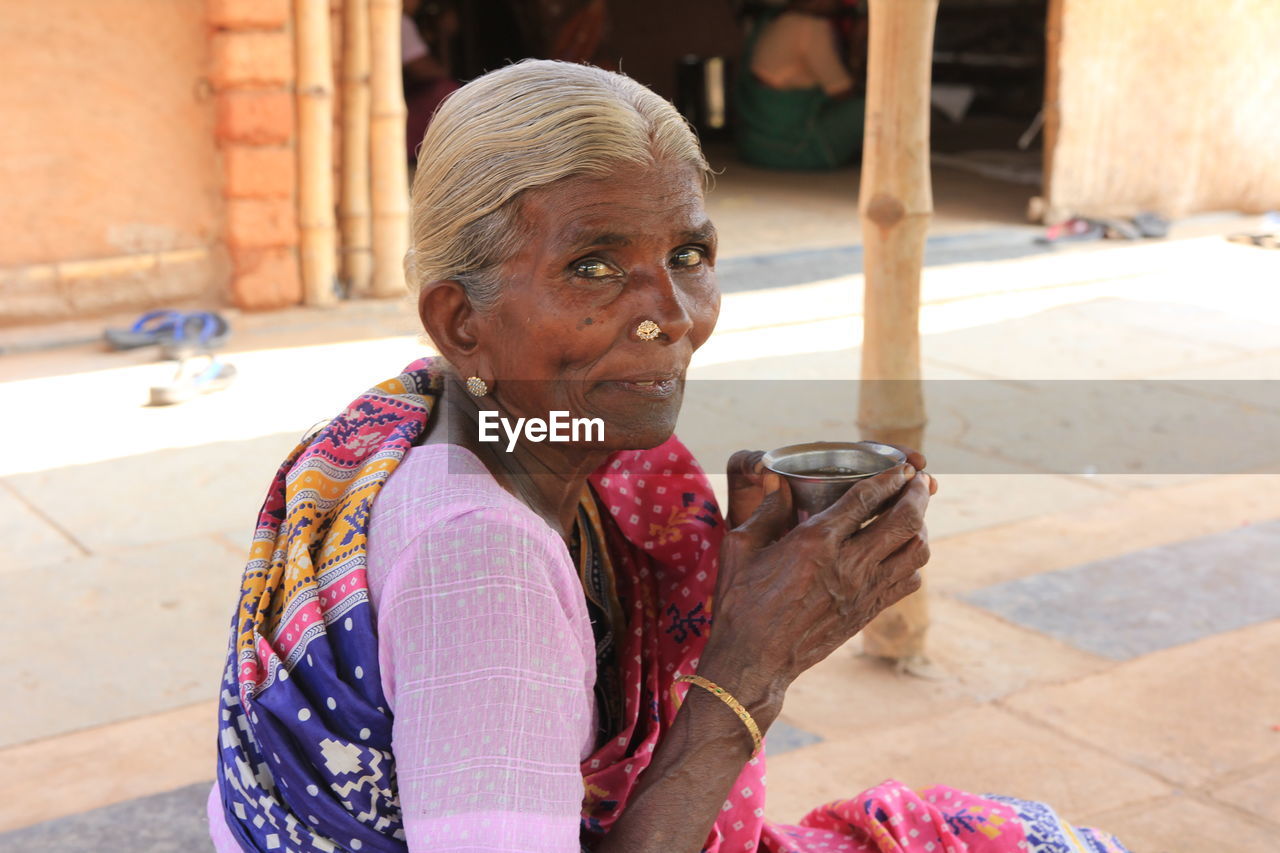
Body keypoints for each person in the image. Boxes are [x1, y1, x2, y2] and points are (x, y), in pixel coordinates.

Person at [207, 60, 1127, 853]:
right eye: (595, 267)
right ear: (460, 320)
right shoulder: (484, 566)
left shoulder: (520, 438)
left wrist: (740, 588)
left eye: (688, 253)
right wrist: (747, 667)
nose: (673, 315)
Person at [735, 0, 867, 170]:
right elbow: (841, 90)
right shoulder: (809, 25)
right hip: (793, 146)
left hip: (754, 145)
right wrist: (857, 43)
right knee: (868, 108)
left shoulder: (770, 21)